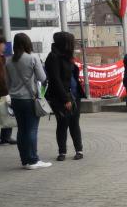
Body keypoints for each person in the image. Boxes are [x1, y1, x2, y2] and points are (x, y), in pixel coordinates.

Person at [5, 33, 49, 169]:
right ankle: (33, 160)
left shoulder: (8, 61)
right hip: (30, 99)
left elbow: (8, 83)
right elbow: (43, 78)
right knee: (31, 130)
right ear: (27, 43)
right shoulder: (33, 58)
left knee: (21, 130)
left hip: (15, 100)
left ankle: (25, 160)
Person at [44, 31, 85, 161]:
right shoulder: (53, 57)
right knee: (62, 123)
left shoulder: (67, 56)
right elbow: (55, 80)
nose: (73, 44)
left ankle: (79, 150)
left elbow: (72, 75)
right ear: (65, 43)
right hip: (62, 97)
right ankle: (62, 152)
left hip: (74, 94)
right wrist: (65, 99)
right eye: (71, 42)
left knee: (74, 123)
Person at [0, 36, 15, 145]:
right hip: (2, 90)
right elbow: (1, 76)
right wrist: (6, 89)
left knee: (7, 113)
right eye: (3, 43)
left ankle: (6, 136)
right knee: (6, 112)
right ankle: (5, 137)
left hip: (4, 90)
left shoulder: (3, 57)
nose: (4, 46)